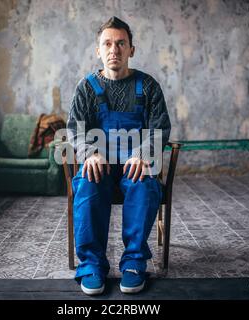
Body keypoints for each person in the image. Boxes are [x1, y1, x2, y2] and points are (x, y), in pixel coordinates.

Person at [67, 16, 171, 295]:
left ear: (131, 50)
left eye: (121, 43)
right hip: (99, 164)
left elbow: (160, 127)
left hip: (134, 163)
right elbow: (75, 129)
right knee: (87, 184)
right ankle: (91, 265)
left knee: (145, 183)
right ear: (98, 50)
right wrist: (88, 153)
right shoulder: (86, 88)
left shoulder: (147, 86)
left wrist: (144, 153)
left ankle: (134, 263)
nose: (114, 49)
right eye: (108, 43)